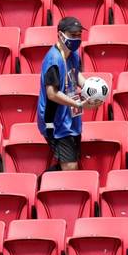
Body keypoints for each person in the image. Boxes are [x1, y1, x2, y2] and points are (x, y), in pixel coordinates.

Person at [37, 16, 101, 172]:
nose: (77, 38)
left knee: (72, 165)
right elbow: (52, 94)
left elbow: (75, 75)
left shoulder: (73, 55)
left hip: (71, 118)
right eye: (73, 35)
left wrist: (91, 89)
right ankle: (40, 185)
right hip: (55, 122)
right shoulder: (53, 59)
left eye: (79, 34)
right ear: (60, 34)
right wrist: (78, 104)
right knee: (70, 167)